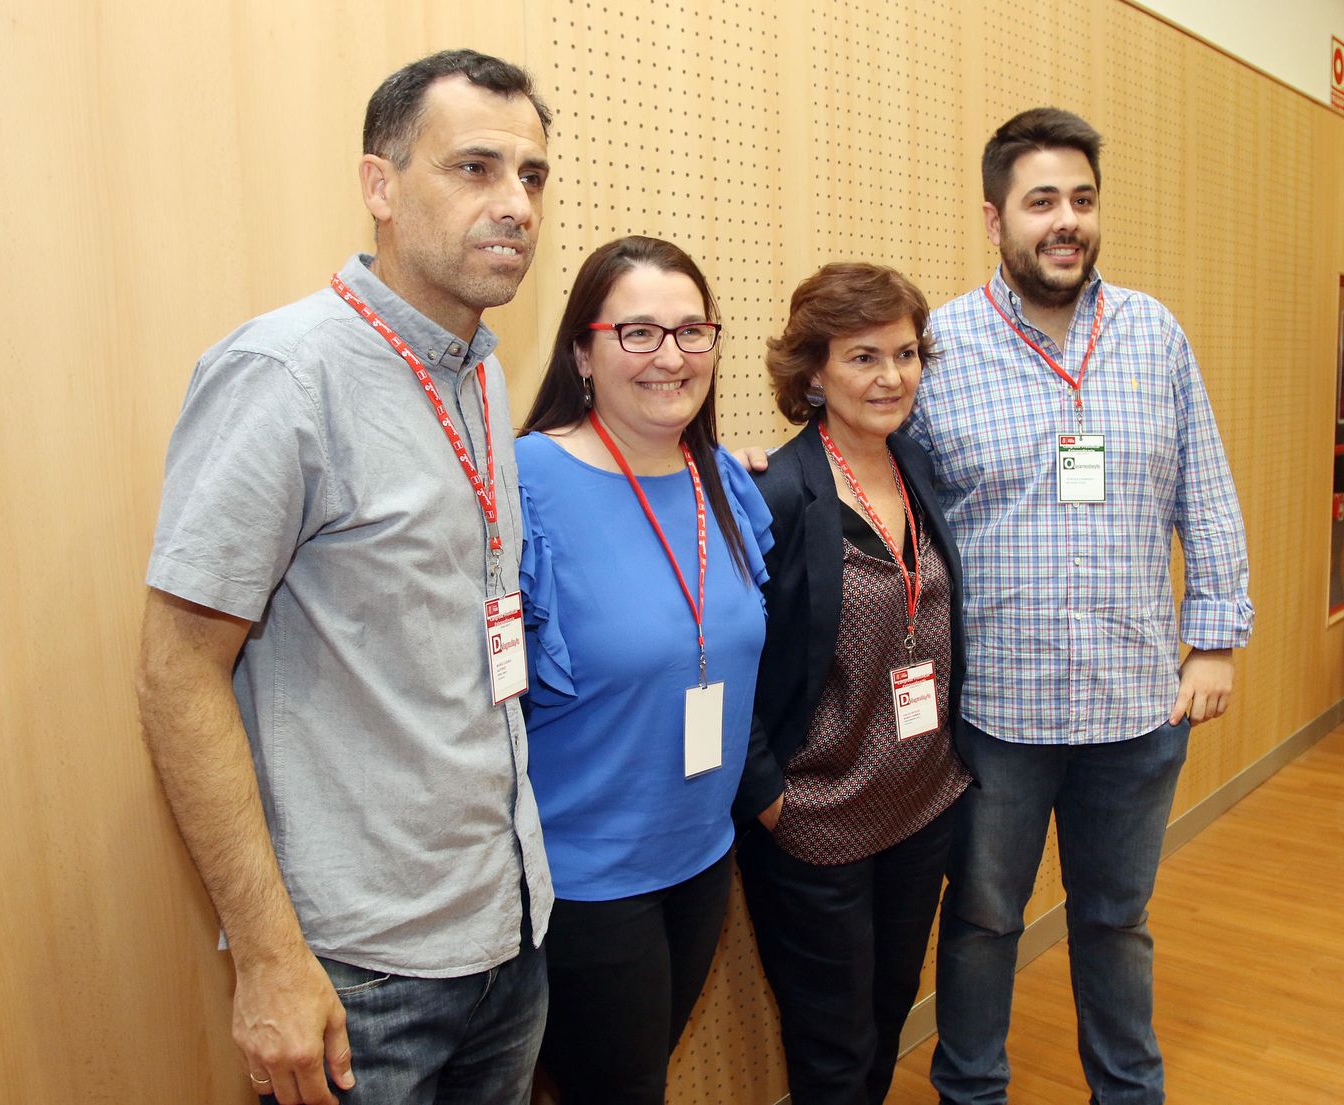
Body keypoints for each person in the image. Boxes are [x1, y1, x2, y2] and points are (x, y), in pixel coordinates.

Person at [136, 51, 555, 1105]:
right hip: (360, 974)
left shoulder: (479, 368)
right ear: (380, 185)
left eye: (531, 175)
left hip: (507, 930)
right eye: (474, 167)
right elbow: (178, 670)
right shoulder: (284, 374)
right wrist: (269, 956)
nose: (515, 204)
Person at [914, 108, 1254, 1105]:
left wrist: (1214, 638)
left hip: (1134, 703)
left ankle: (1128, 1090)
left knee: (1115, 918)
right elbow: (867, 471)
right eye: (1041, 202)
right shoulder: (939, 347)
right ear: (995, 219)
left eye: (1082, 199)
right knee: (984, 919)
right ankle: (971, 1090)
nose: (1066, 220)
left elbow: (1205, 489)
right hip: (997, 711)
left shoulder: (1154, 334)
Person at [514, 235, 773, 1104]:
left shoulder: (721, 480)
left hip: (701, 856)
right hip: (586, 879)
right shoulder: (525, 483)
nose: (671, 355)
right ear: (582, 353)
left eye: (692, 331)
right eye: (638, 333)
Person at [734, 263, 972, 1105]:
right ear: (813, 373)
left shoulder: (917, 465)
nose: (892, 377)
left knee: (886, 1017)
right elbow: (728, 657)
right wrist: (769, 796)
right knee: (832, 1050)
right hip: (817, 821)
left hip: (923, 804)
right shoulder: (773, 492)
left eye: (905, 354)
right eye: (863, 357)